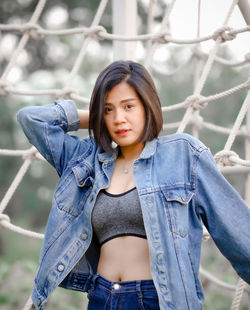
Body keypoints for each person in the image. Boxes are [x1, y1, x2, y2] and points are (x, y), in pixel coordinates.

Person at [17, 60, 250, 310]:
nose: (119, 119)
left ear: (147, 106)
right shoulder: (86, 160)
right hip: (101, 297)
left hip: (158, 300)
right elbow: (31, 119)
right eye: (109, 109)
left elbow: (235, 228)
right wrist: (95, 117)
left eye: (129, 106)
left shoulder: (183, 154)